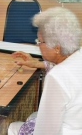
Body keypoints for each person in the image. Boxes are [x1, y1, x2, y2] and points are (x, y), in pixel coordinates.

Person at [8, 7, 82, 135]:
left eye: (39, 41)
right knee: (33, 117)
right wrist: (37, 63)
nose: (38, 45)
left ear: (57, 48)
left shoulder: (56, 77)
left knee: (12, 127)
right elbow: (71, 73)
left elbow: (45, 132)